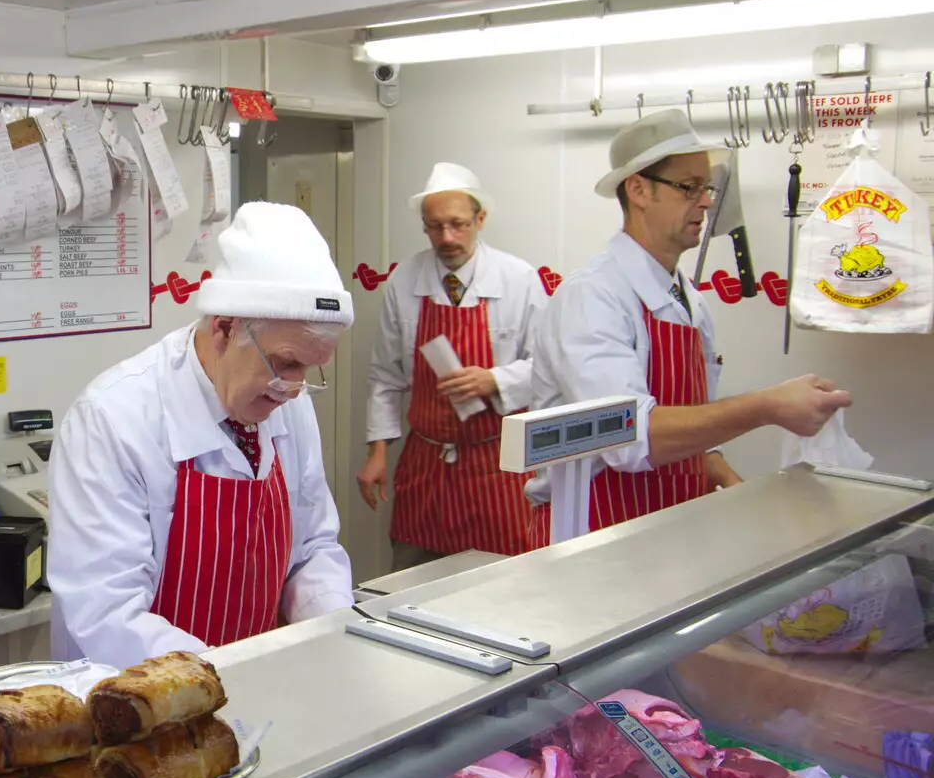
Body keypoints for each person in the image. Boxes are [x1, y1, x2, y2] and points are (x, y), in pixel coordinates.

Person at [47, 202, 355, 669]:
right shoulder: (114, 419)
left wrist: (333, 631)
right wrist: (222, 681)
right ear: (225, 328)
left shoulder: (286, 402)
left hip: (253, 683)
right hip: (138, 702)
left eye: (311, 369)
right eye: (286, 363)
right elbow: (107, 614)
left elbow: (311, 548)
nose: (294, 387)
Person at [527, 110, 852, 542]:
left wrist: (728, 481)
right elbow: (627, 438)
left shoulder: (688, 300)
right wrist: (769, 406)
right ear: (639, 190)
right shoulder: (593, 297)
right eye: (689, 187)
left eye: (708, 187)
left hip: (665, 526)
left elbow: (695, 421)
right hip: (592, 533)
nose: (706, 201)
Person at [359, 163, 547, 570]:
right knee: (412, 581)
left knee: (501, 582)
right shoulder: (404, 280)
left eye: (458, 224)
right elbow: (386, 376)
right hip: (425, 462)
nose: (447, 237)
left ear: (481, 219)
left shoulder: (520, 279)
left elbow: (548, 369)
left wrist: (494, 379)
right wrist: (377, 454)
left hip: (497, 463)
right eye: (435, 226)